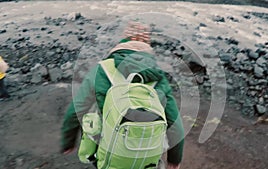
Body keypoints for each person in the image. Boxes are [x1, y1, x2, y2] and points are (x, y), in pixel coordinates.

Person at [61, 22, 184, 169]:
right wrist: (174, 159)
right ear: (147, 45)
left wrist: (68, 142)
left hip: (110, 150)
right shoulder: (158, 76)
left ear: (123, 41)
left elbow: (76, 110)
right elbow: (176, 126)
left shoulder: (102, 69)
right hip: (147, 153)